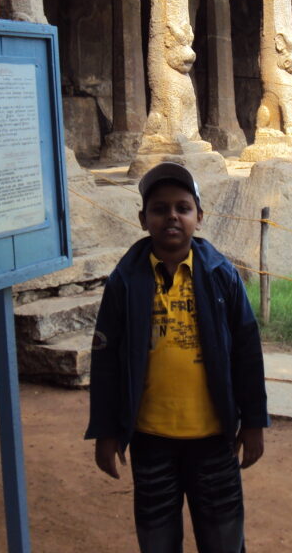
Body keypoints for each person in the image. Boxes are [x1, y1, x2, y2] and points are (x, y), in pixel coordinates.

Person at [86, 161, 269, 553]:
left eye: (182, 208)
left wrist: (253, 422)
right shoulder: (125, 280)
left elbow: (247, 350)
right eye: (160, 208)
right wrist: (106, 430)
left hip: (214, 437)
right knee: (157, 538)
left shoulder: (221, 275)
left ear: (198, 218)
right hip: (151, 439)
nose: (172, 216)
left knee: (223, 537)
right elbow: (105, 360)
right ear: (143, 218)